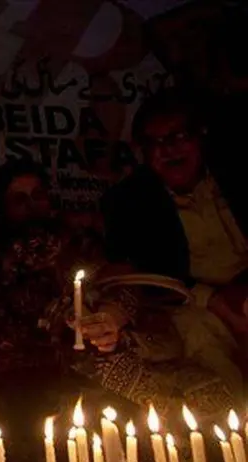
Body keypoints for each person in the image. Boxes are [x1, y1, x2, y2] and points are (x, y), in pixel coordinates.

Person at [0, 158, 237, 462]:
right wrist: (76, 322)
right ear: (3, 207)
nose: (32, 205)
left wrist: (112, 316)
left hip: (107, 350)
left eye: (38, 194)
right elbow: (14, 314)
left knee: (197, 391)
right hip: (30, 370)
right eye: (19, 198)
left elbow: (121, 283)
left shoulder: (80, 241)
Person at [102, 88, 247, 394]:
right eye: (154, 143)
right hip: (191, 303)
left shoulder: (236, 175)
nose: (167, 150)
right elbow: (139, 272)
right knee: (199, 333)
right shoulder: (129, 200)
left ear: (199, 138)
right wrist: (214, 299)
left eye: (176, 137)